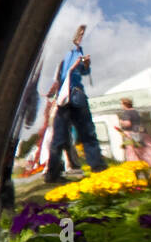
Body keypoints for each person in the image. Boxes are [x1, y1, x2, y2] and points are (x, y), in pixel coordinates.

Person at [44, 24, 107, 184]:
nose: (81, 38)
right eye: (80, 35)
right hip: (71, 95)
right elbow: (66, 74)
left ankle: (95, 166)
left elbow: (84, 72)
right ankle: (54, 172)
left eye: (82, 35)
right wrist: (76, 64)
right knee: (78, 133)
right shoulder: (69, 54)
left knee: (73, 134)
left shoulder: (78, 53)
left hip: (69, 96)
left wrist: (86, 64)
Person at [117, 97, 151, 168]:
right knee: (147, 151)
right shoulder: (136, 112)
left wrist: (121, 122)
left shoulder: (127, 113)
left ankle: (136, 168)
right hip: (141, 133)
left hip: (131, 134)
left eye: (121, 104)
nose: (121, 106)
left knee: (133, 152)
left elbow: (128, 123)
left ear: (125, 104)